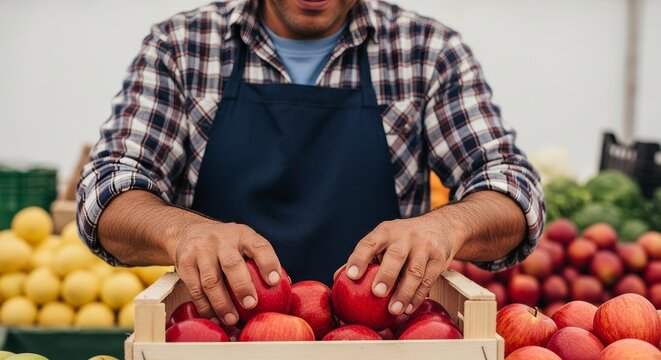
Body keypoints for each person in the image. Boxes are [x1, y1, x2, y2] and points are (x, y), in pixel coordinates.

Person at [77, 0, 544, 327]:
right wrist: (184, 233)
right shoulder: (181, 47)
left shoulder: (428, 50)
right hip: (217, 340)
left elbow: (513, 189)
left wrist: (447, 227)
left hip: (380, 344)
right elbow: (107, 192)